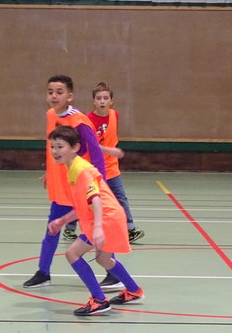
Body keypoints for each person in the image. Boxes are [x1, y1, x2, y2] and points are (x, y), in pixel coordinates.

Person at [46, 125, 144, 315]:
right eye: (52, 146)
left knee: (72, 254)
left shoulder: (81, 169)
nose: (55, 151)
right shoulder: (72, 168)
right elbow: (83, 205)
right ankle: (134, 290)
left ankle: (99, 300)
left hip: (105, 218)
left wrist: (98, 228)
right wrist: (62, 221)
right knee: (103, 259)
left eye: (60, 146)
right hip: (108, 216)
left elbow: (95, 198)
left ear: (75, 147)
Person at [22, 75, 106, 289]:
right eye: (50, 92)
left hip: (81, 187)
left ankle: (112, 272)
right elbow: (54, 148)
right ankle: (43, 272)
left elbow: (96, 153)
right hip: (61, 187)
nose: (54, 96)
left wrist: (100, 183)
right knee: (52, 228)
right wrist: (50, 173)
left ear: (70, 96)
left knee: (93, 232)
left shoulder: (79, 121)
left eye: (59, 92)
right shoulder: (51, 114)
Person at [63, 82, 146, 291]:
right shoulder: (87, 121)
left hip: (111, 169)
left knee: (114, 203)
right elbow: (92, 145)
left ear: (111, 101)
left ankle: (128, 231)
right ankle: (71, 228)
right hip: (96, 167)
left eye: (105, 98)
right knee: (90, 203)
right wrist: (109, 151)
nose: (102, 101)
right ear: (93, 101)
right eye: (98, 98)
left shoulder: (114, 116)